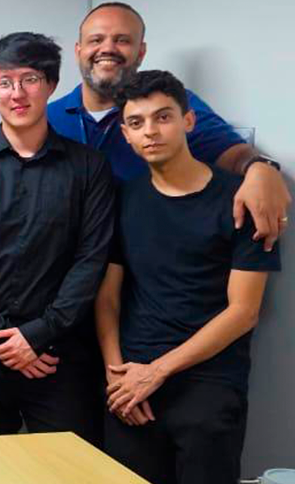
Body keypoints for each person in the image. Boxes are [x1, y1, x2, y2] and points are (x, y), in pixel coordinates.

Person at [94, 70, 281, 484]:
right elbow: (107, 298)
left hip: (209, 382)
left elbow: (243, 312)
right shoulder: (123, 199)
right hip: (132, 383)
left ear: (189, 121)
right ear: (125, 134)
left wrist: (157, 372)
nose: (151, 132)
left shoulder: (243, 200)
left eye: (163, 118)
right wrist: (116, 371)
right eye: (137, 123)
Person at [0, 32, 114, 445]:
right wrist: (6, 339)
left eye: (30, 79)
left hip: (59, 352)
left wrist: (38, 335)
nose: (17, 93)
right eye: (4, 82)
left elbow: (90, 261)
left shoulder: (89, 168)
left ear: (51, 85)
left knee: (69, 468)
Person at [48, 2, 289, 251]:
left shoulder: (172, 106)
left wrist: (262, 170)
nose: (107, 48)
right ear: (78, 50)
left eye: (122, 40)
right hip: (68, 263)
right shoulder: (47, 118)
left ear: (141, 52)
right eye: (96, 39)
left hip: (142, 263)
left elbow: (234, 154)